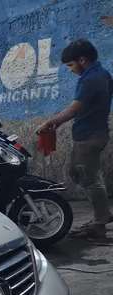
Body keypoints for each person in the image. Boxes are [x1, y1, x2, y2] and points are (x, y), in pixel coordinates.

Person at [38, 39, 112, 241]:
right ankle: (102, 215)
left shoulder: (91, 78)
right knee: (80, 174)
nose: (70, 70)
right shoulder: (101, 74)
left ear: (82, 60)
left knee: (89, 179)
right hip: (91, 133)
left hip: (89, 136)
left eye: (71, 65)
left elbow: (75, 108)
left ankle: (100, 223)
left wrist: (51, 122)